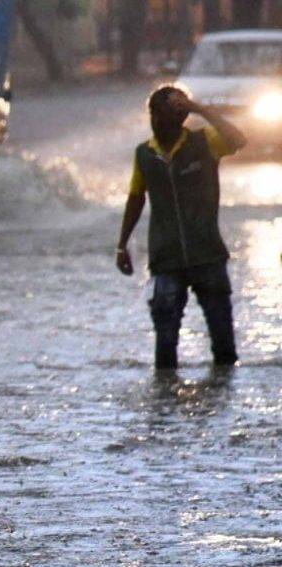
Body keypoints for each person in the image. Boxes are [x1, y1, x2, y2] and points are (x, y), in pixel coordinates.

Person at [116, 86, 248, 370]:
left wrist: (200, 108)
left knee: (224, 350)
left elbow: (238, 139)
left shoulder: (206, 143)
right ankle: (166, 404)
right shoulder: (144, 154)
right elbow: (136, 198)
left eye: (162, 114)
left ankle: (223, 398)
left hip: (208, 255)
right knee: (164, 353)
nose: (156, 121)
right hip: (166, 259)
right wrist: (121, 244)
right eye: (152, 113)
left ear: (180, 116)